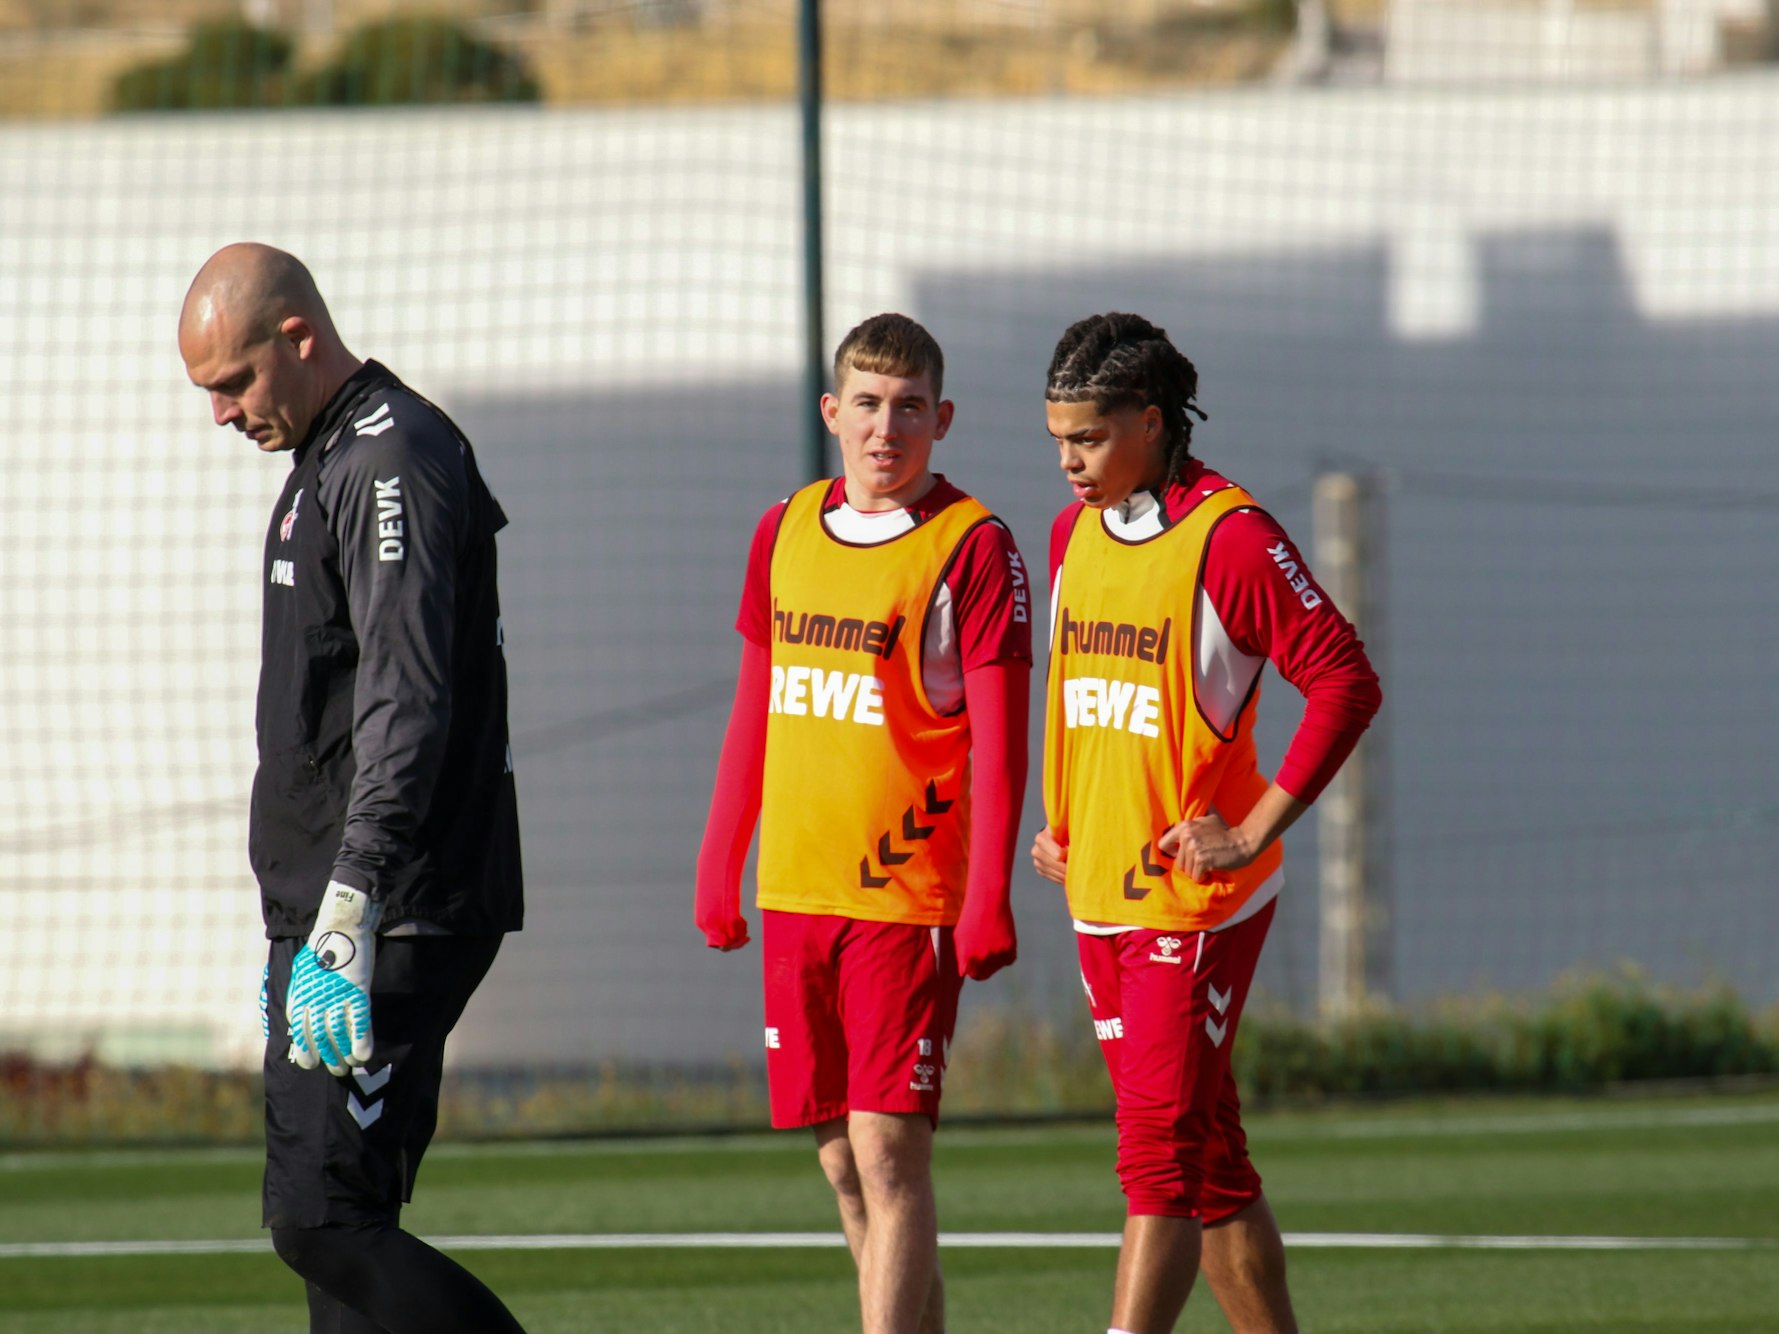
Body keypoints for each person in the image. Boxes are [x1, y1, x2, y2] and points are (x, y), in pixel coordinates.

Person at [178, 243, 527, 1334]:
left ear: (298, 337)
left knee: (323, 1219)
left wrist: (350, 901)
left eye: (235, 381)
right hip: (330, 906)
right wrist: (305, 911)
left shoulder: (389, 457)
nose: (223, 413)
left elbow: (404, 699)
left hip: (388, 905)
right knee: (338, 1239)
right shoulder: (323, 456)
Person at [1031, 313, 1382, 1334]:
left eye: (1088, 438)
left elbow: (1345, 680)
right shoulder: (1072, 533)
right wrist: (1063, 820)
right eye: (1057, 438)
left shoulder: (1232, 538)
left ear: (1151, 421)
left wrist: (1257, 826)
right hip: (1099, 894)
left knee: (1158, 1162)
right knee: (1211, 1161)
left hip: (1192, 906)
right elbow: (1087, 699)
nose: (1068, 461)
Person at [695, 313, 1032, 1333]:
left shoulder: (973, 545)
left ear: (943, 418)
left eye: (911, 408)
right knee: (843, 1162)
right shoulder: (784, 527)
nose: (889, 429)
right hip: (796, 890)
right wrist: (720, 860)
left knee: (890, 1154)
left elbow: (1002, 742)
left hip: (904, 896)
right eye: (871, 405)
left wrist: (988, 898)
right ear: (833, 412)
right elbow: (755, 706)